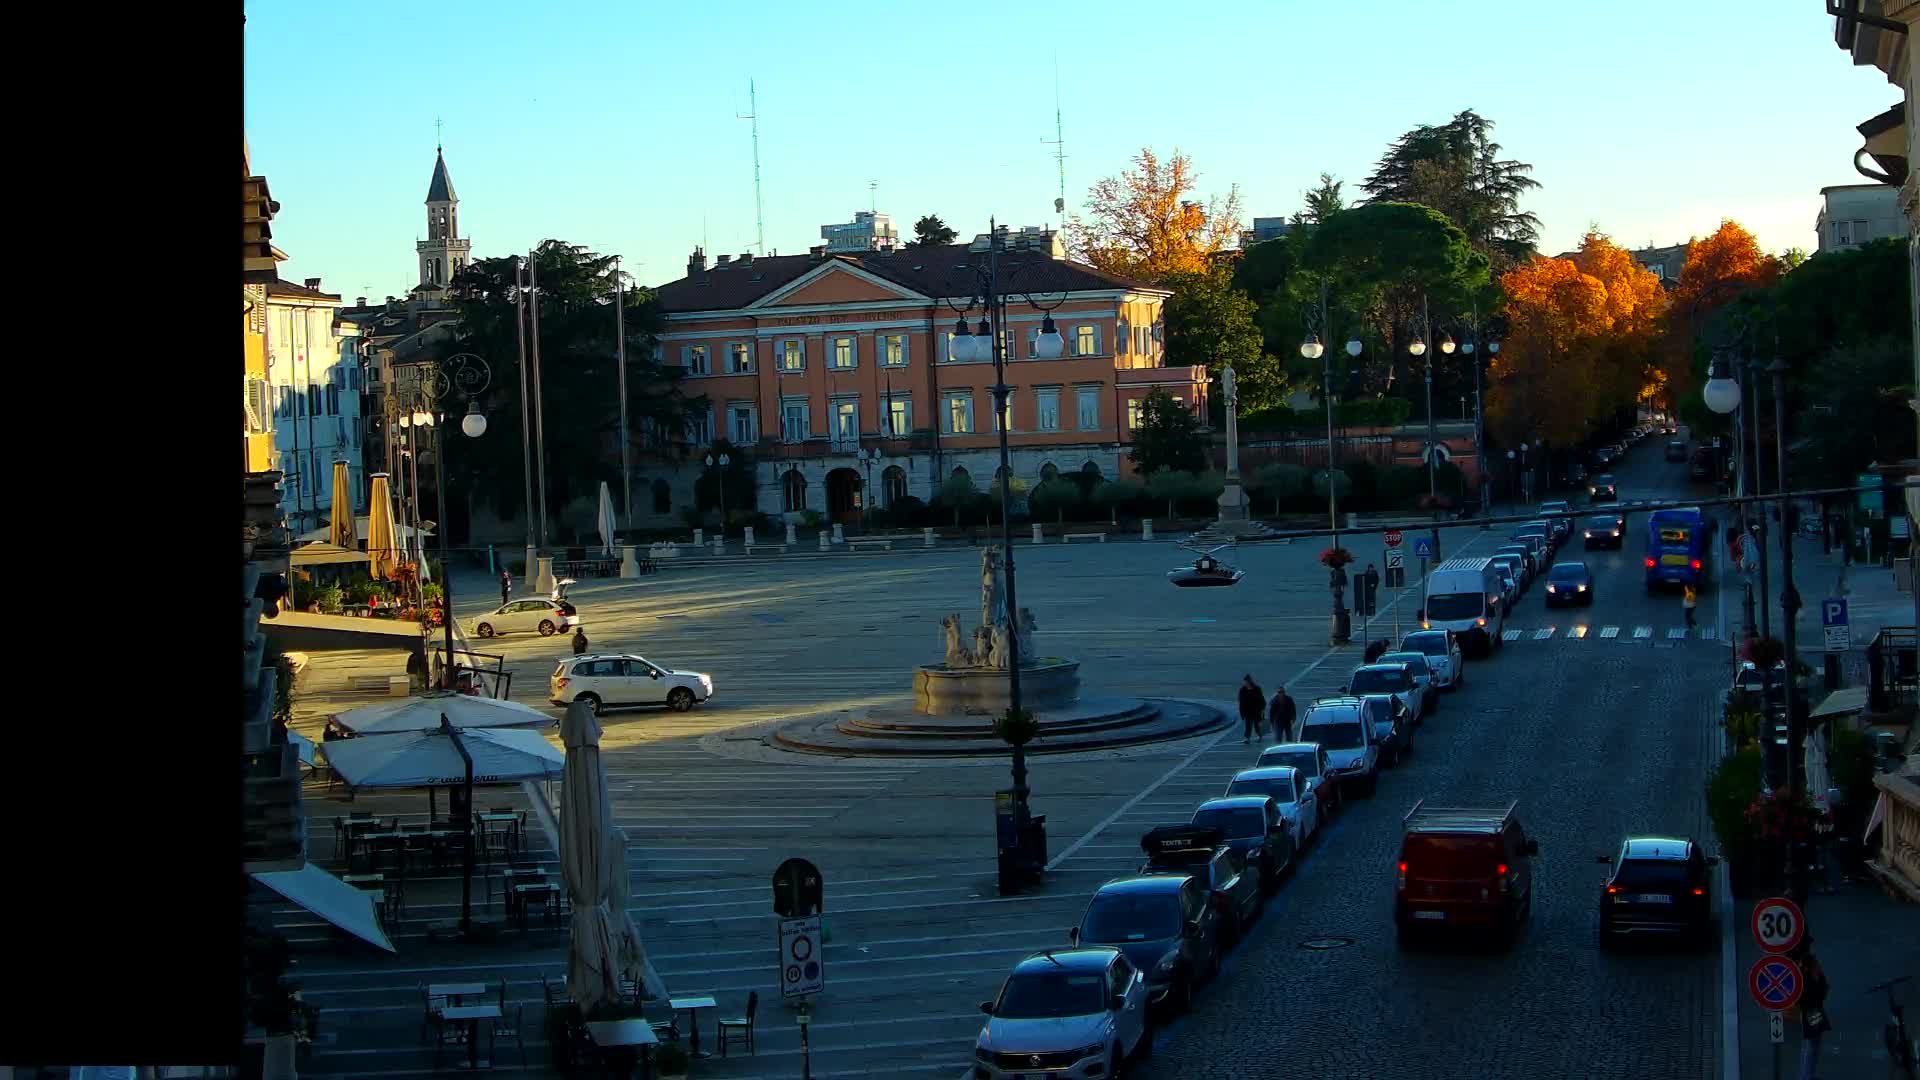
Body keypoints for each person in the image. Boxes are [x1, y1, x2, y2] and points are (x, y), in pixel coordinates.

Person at [1794, 936, 1829, 1080]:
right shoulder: (1807, 969)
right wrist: (1818, 979)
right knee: (1811, 1045)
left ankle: (1806, 1075)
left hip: (1811, 1010)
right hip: (1811, 1011)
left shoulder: (1804, 966)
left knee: (1810, 1044)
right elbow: (1820, 989)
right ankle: (1806, 1076)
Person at [1238, 675, 1264, 744]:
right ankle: (1247, 738)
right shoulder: (1242, 690)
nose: (1246, 683)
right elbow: (1241, 702)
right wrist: (1242, 713)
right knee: (1248, 725)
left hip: (1256, 710)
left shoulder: (1257, 689)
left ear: (1250, 681)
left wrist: (1261, 709)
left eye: (1247, 681)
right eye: (1245, 682)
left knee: (1256, 725)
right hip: (1247, 711)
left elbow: (1261, 700)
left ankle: (1259, 735)